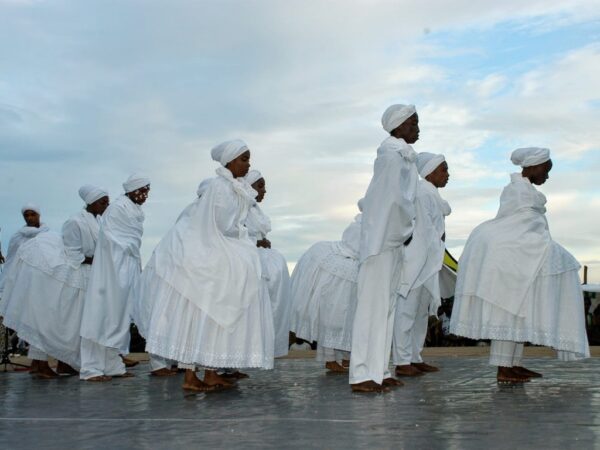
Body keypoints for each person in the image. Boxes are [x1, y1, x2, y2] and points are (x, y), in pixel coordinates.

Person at [133, 140, 274, 392]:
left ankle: (209, 373)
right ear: (229, 162)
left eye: (248, 159)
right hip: (209, 254)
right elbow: (220, 225)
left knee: (211, 318)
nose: (248, 163)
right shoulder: (220, 188)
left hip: (221, 250)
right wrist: (243, 240)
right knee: (200, 315)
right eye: (244, 159)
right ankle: (190, 378)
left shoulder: (233, 187)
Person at [450, 147, 589, 383]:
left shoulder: (526, 192)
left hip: (516, 257)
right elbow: (521, 227)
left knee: (517, 311)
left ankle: (513, 364)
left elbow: (528, 228)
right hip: (508, 259)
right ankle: (504, 369)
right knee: (507, 311)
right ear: (534, 166)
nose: (547, 175)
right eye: (546, 170)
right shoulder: (518, 192)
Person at [0, 186, 109, 378]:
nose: (106, 205)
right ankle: (41, 365)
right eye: (103, 202)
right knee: (49, 318)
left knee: (68, 321)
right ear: (91, 202)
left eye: (33, 214)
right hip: (56, 276)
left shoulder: (97, 221)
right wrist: (96, 259)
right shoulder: (75, 221)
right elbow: (73, 253)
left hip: (81, 275)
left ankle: (63, 362)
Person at [349, 104, 420, 392]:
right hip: (383, 241)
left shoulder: (401, 156)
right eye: (413, 123)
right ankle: (362, 374)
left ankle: (379, 370)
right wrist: (403, 230)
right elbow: (391, 199)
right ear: (398, 126)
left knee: (386, 309)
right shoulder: (392, 156)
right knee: (372, 309)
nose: (417, 128)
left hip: (391, 241)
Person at [79, 175, 150, 381]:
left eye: (147, 191)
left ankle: (112, 366)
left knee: (118, 318)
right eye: (142, 191)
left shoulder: (134, 209)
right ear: (131, 191)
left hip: (126, 268)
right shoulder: (118, 208)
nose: (145, 195)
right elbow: (115, 240)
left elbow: (132, 242)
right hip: (111, 271)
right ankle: (90, 369)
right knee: (101, 316)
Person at [393, 152, 450, 376]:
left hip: (429, 261)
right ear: (429, 172)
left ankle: (414, 356)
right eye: (443, 169)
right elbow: (424, 230)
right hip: (417, 260)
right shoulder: (422, 192)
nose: (448, 174)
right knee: (407, 311)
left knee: (420, 313)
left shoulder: (431, 194)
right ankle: (401, 360)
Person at [289, 201, 362, 373]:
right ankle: (330, 359)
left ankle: (346, 357)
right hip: (340, 273)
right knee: (334, 319)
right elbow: (354, 247)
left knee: (350, 318)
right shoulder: (360, 226)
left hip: (350, 270)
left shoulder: (368, 225)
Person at [244, 170, 291, 359]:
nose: (264, 190)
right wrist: (256, 243)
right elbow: (232, 231)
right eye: (260, 186)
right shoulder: (242, 207)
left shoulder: (255, 210)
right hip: (248, 261)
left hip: (263, 258)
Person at [0, 204, 49, 296]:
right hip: (19, 280)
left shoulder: (49, 236)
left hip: (41, 280)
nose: (29, 218)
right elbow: (11, 262)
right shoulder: (17, 237)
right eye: (26, 215)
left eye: (32, 214)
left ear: (38, 215)